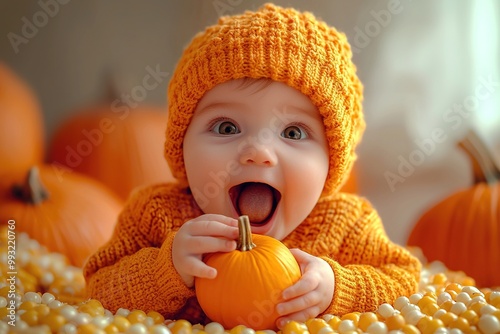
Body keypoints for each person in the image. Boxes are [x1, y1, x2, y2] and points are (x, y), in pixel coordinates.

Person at [84, 3, 421, 329]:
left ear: (331, 162)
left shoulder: (346, 226)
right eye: (226, 127)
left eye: (293, 132)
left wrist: (337, 286)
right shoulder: (155, 216)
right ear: (181, 144)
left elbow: (402, 278)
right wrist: (166, 269)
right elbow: (99, 285)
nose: (258, 152)